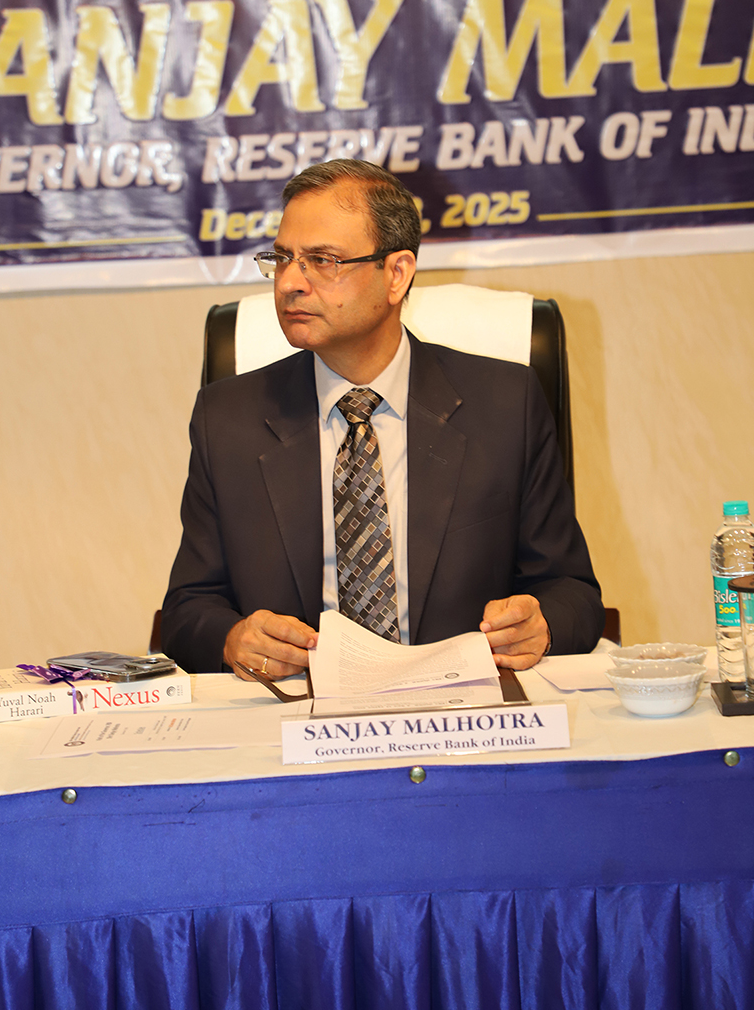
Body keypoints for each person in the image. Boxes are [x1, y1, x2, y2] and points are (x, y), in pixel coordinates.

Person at [161, 159, 603, 677]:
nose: (289, 283)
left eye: (322, 260)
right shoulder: (228, 419)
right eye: (282, 258)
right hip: (296, 708)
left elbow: (573, 593)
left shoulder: (506, 406)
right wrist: (231, 638)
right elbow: (187, 609)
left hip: (458, 708)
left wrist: (541, 624)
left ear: (396, 274)